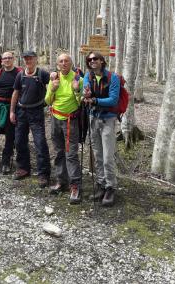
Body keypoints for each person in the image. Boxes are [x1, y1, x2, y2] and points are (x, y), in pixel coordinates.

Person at [45, 53, 83, 203]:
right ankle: (62, 181)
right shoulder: (54, 78)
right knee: (58, 151)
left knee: (71, 154)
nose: (64, 63)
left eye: (66, 61)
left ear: (71, 63)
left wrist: (76, 90)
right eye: (61, 61)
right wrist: (52, 89)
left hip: (70, 121)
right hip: (55, 119)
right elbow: (47, 101)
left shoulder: (77, 79)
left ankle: (75, 186)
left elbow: (81, 103)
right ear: (57, 64)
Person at [83, 51, 119, 207]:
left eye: (95, 59)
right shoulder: (88, 76)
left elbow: (113, 99)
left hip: (108, 119)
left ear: (102, 61)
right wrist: (85, 94)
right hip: (93, 118)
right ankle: (100, 184)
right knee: (97, 155)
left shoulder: (113, 77)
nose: (92, 61)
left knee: (107, 156)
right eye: (89, 59)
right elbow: (85, 94)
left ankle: (111, 187)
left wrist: (95, 99)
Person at [10, 51, 51, 187]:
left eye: (30, 58)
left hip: (36, 112)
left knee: (40, 143)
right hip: (21, 111)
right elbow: (15, 93)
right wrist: (12, 111)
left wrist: (50, 103)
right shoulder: (20, 75)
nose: (28, 61)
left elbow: (52, 88)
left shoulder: (42, 74)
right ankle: (23, 168)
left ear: (36, 59)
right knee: (20, 140)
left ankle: (43, 174)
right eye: (26, 59)